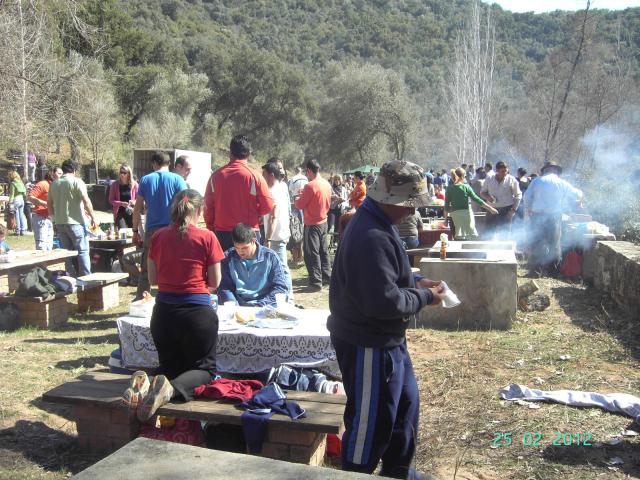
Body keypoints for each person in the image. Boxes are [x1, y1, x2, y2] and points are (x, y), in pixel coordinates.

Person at [327, 160, 445, 479]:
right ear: (390, 200)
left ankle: (398, 472)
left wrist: (415, 282)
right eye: (409, 205)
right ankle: (355, 474)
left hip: (388, 342)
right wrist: (424, 297)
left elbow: (387, 279)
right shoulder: (370, 235)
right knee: (370, 426)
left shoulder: (379, 223)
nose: (411, 211)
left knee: (404, 411)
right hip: (369, 344)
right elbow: (383, 302)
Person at [125, 189, 225, 422]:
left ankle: (146, 385)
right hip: (196, 315)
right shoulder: (207, 237)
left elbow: (153, 279)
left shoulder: (158, 237)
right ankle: (168, 390)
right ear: (199, 211)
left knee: (169, 365)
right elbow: (215, 282)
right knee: (205, 370)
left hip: (163, 313)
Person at [204, 135, 273, 251]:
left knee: (224, 268)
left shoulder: (215, 176)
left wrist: (212, 228)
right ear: (249, 153)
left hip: (222, 233)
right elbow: (268, 206)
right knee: (251, 268)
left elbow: (208, 208)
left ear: (230, 152)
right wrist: (256, 213)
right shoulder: (255, 176)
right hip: (249, 233)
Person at [133, 151, 187, 299]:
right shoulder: (178, 179)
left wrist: (135, 230)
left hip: (153, 231)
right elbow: (186, 205)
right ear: (169, 164)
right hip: (173, 229)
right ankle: (176, 296)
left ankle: (141, 298)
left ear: (154, 164)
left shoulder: (145, 180)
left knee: (146, 268)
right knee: (174, 265)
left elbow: (137, 208)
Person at [524, 162, 583, 275]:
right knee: (554, 243)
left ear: (545, 170)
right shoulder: (562, 183)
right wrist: (580, 198)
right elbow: (576, 194)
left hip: (537, 216)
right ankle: (553, 270)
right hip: (554, 217)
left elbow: (527, 197)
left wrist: (529, 209)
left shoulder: (537, 181)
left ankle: (535, 270)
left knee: (536, 242)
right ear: (556, 171)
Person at [218, 223, 288, 307]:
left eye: (244, 248)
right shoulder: (228, 258)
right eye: (237, 248)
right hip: (238, 305)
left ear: (254, 241)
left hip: (265, 305)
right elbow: (225, 286)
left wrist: (261, 304)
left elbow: (280, 287)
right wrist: (233, 304)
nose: (240, 252)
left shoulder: (270, 257)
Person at [48, 160, 98, 277]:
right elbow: (86, 201)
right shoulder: (77, 182)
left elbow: (49, 203)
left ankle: (70, 278)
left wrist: (53, 219)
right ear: (74, 170)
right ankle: (86, 278)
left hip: (60, 223)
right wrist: (94, 218)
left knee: (67, 254)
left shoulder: (54, 184)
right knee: (83, 252)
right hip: (75, 223)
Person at [294, 159, 332, 292]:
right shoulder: (326, 183)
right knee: (324, 250)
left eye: (307, 172)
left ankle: (316, 281)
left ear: (309, 171)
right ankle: (327, 276)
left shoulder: (310, 186)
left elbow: (299, 205)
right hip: (323, 221)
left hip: (312, 224)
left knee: (311, 253)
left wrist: (297, 198)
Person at [261, 161, 293, 297]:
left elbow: (273, 217)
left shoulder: (273, 192)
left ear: (271, 175)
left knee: (282, 268)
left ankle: (289, 297)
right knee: (278, 267)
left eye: (264, 175)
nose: (262, 178)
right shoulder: (281, 187)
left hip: (276, 236)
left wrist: (267, 237)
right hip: (281, 233)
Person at [445, 167, 498, 239]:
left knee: (457, 238)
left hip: (455, 217)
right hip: (467, 216)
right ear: (463, 176)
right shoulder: (466, 187)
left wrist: (445, 220)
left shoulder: (449, 189)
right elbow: (477, 200)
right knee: (469, 238)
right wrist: (491, 208)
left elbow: (446, 206)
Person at [480, 161, 522, 239]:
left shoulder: (512, 180)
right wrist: (488, 197)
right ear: (497, 170)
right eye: (502, 171)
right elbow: (482, 193)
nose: (505, 173)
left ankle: (504, 249)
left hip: (506, 210)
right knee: (488, 233)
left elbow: (518, 195)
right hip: (491, 209)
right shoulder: (489, 179)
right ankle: (488, 249)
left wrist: (513, 210)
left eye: (506, 171)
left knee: (505, 234)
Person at [27, 166, 62, 250]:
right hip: (40, 218)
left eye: (62, 174)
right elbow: (30, 197)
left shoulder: (55, 186)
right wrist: (45, 203)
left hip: (50, 219)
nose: (61, 176)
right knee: (41, 246)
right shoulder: (43, 184)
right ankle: (40, 263)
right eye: (59, 173)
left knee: (49, 245)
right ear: (52, 174)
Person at [109, 164, 138, 229]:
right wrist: (121, 203)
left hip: (131, 212)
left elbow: (139, 199)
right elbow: (111, 200)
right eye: (121, 172)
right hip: (119, 213)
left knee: (132, 232)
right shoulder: (115, 184)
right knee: (122, 232)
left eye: (124, 173)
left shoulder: (135, 185)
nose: (122, 175)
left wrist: (133, 201)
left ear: (129, 174)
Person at [8, 170, 28, 236]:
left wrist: (10, 202)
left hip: (16, 200)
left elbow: (12, 194)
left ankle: (18, 231)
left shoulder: (13, 183)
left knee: (16, 216)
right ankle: (23, 230)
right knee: (21, 215)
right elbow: (25, 193)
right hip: (21, 199)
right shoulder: (21, 182)